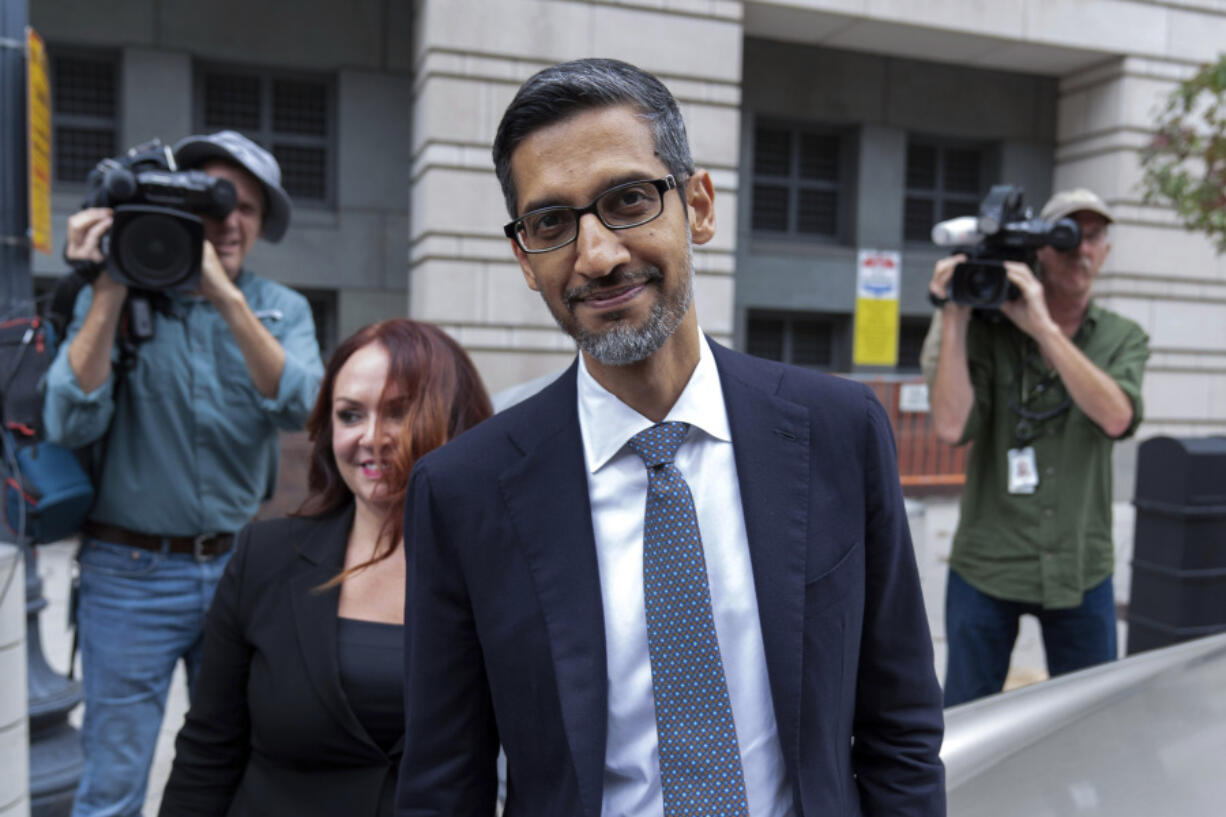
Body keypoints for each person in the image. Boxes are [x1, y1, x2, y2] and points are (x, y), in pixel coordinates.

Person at [395, 58, 945, 817]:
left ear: (700, 205)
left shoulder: (839, 432)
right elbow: (442, 781)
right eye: (552, 222)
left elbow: (901, 728)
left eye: (627, 200)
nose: (597, 255)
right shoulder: (462, 490)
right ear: (525, 257)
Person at [42, 130, 325, 816]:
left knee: (242, 761)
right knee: (112, 782)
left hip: (239, 569)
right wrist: (110, 279)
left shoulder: (280, 307)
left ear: (263, 224)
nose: (229, 221)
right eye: (212, 201)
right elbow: (67, 418)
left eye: (247, 209)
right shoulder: (122, 290)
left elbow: (307, 405)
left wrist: (226, 298)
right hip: (126, 575)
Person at [157, 319, 492, 816]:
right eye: (351, 415)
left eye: (399, 412)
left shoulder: (500, 568)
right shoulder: (265, 556)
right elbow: (209, 749)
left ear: (455, 421)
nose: (372, 438)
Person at [927, 188, 1150, 707]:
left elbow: (1117, 417)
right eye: (1066, 238)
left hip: (1080, 565)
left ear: (1107, 251)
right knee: (967, 716)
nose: (1081, 251)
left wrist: (1043, 329)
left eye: (1093, 237)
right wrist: (955, 315)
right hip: (988, 564)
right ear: (1037, 252)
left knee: (1090, 719)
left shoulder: (1122, 337)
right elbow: (950, 425)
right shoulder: (985, 328)